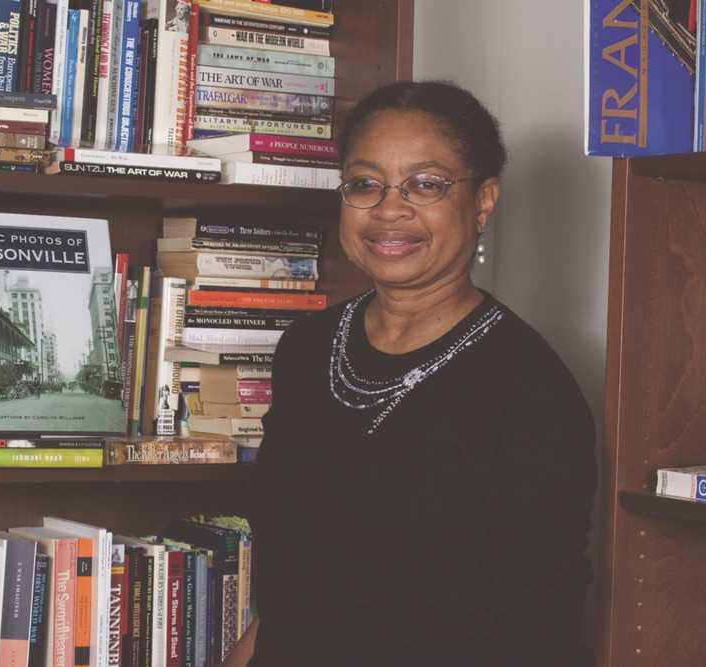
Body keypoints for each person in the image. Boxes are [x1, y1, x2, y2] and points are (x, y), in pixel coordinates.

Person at [229, 81, 597, 667]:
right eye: (364, 184)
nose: (389, 209)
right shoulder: (307, 347)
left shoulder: (527, 389)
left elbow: (538, 626)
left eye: (426, 184)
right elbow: (290, 583)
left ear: (483, 201)